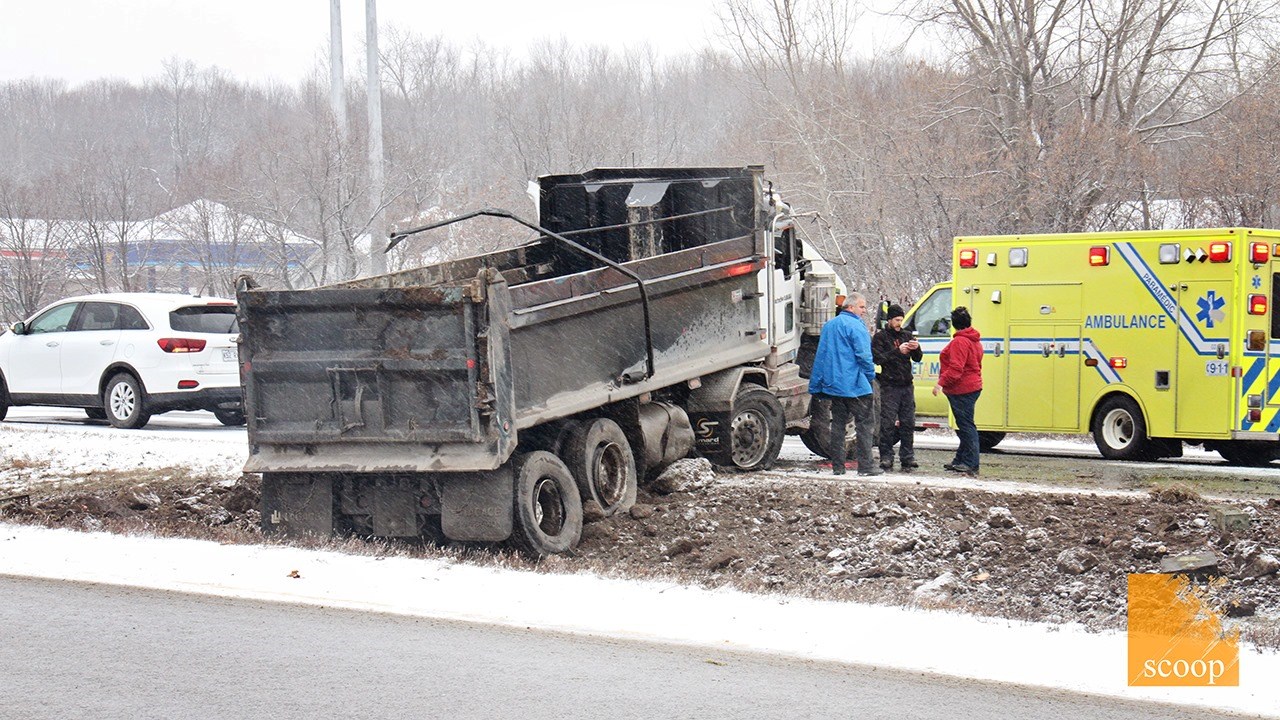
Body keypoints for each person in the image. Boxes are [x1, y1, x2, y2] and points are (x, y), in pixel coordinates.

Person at [808, 292, 880, 476]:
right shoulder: (856, 326)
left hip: (835, 386)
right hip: (856, 386)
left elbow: (822, 356)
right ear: (851, 307)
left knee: (838, 427)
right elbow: (863, 355)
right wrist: (870, 375)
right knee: (864, 425)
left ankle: (838, 467)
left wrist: (818, 383)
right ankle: (866, 467)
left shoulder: (829, 326)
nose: (864, 311)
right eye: (862, 307)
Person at [932, 306, 984, 476]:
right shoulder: (974, 340)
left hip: (962, 389)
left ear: (954, 324)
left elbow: (956, 369)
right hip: (973, 386)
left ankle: (971, 463)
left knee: (966, 427)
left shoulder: (960, 342)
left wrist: (940, 383)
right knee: (964, 426)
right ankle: (960, 460)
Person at [872, 303, 922, 471]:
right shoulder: (880, 337)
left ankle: (907, 456)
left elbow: (917, 358)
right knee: (887, 423)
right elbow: (877, 359)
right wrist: (897, 351)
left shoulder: (907, 335)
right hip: (889, 385)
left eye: (901, 319)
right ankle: (886, 455)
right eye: (896, 320)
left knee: (908, 422)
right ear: (890, 320)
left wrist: (916, 348)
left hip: (906, 385)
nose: (899, 323)